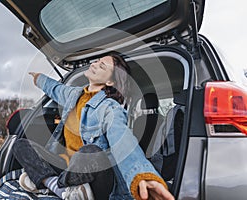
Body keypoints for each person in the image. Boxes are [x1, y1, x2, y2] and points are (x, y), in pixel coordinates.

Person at [12, 53, 174, 200]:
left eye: (102, 65)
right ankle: (61, 189)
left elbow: (122, 140)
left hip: (95, 177)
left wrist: (142, 176)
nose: (95, 64)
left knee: (90, 152)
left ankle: (49, 183)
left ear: (110, 81)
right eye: (96, 61)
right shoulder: (74, 95)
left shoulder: (110, 108)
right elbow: (56, 89)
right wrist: (38, 78)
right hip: (67, 169)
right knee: (21, 145)